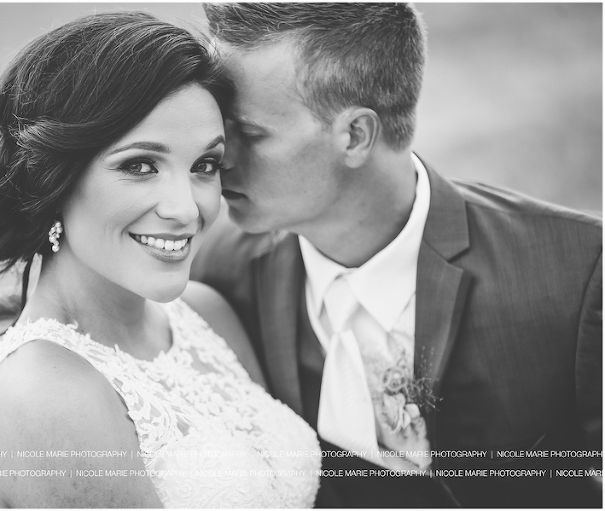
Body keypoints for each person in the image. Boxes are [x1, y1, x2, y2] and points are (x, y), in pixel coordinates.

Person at [191, 3, 602, 508]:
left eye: (250, 134)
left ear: (357, 134)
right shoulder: (215, 273)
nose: (220, 157)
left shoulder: (578, 269)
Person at [0, 12, 321, 508]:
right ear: (54, 179)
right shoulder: (46, 394)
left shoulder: (209, 315)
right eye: (140, 166)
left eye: (204, 165)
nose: (186, 210)